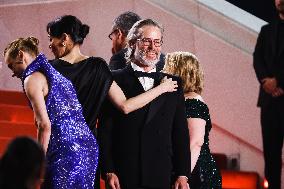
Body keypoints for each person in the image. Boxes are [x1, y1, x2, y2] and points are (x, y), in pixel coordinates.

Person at [3, 37, 174, 189]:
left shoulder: (31, 78)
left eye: (11, 65)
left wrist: (37, 165)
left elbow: (44, 124)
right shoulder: (54, 74)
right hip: (88, 148)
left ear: (21, 55)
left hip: (65, 148)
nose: (12, 73)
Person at [46, 15, 177, 188]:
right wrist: (161, 88)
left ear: (64, 39)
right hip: (87, 149)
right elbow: (125, 106)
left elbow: (42, 122)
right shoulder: (98, 66)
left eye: (50, 38)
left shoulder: (47, 70)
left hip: (58, 145)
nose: (49, 44)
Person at [99, 19, 190, 189]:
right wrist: (109, 170)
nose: (152, 47)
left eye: (157, 42)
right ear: (132, 43)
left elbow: (180, 133)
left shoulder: (173, 82)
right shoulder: (114, 79)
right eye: (147, 41)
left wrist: (182, 173)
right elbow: (105, 130)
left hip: (162, 172)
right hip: (125, 170)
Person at [163, 51, 222, 189]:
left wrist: (183, 176)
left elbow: (195, 142)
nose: (164, 72)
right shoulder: (184, 99)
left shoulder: (193, 100)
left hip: (196, 173)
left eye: (168, 68)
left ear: (179, 71)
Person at [253, 0, 284, 188]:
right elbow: (257, 58)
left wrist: (279, 82)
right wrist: (267, 81)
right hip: (269, 101)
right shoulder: (266, 30)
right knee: (271, 154)